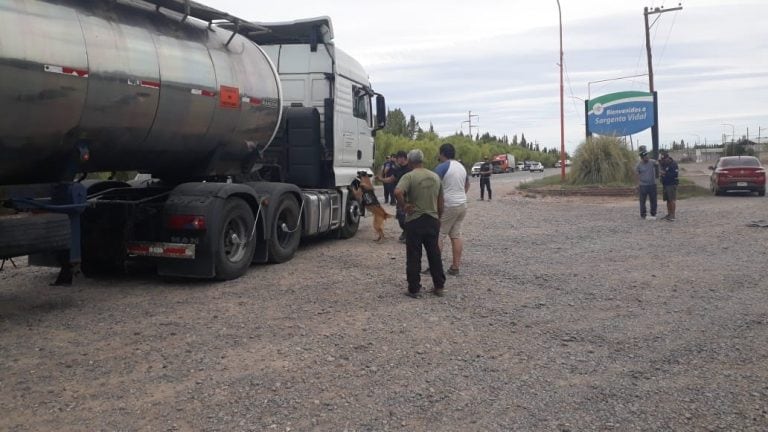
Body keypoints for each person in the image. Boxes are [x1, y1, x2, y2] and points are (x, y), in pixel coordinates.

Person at [394, 149, 446, 298]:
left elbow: (397, 192)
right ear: (422, 160)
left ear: (410, 162)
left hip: (415, 220)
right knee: (434, 254)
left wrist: (404, 206)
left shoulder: (409, 176)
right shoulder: (435, 177)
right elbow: (441, 201)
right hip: (432, 219)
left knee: (414, 255)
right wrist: (439, 218)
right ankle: (439, 286)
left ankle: (414, 289)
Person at [434, 143, 469, 275]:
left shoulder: (442, 167)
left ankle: (435, 267)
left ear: (442, 153)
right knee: (456, 235)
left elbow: (433, 185)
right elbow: (467, 185)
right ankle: (455, 267)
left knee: (439, 235)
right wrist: (460, 196)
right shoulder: (461, 167)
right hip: (462, 204)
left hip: (448, 205)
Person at [376, 150, 410, 242]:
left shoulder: (410, 168)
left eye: (397, 158)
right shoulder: (397, 169)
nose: (396, 160)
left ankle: (409, 234)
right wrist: (381, 179)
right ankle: (406, 231)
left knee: (410, 216)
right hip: (400, 197)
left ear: (402, 158)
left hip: (410, 197)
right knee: (400, 217)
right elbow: (391, 179)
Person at [635, 150, 659, 220]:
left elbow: (658, 163)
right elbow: (636, 175)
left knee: (653, 200)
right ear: (642, 157)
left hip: (652, 184)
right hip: (643, 185)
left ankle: (653, 213)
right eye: (645, 156)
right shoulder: (638, 165)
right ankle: (643, 214)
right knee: (642, 201)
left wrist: (658, 161)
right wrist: (637, 184)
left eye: (647, 155)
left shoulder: (652, 162)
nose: (647, 157)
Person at [659, 150, 679, 222]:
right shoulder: (665, 164)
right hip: (666, 184)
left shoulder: (673, 164)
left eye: (664, 159)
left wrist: (664, 173)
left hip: (671, 184)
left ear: (668, 158)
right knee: (667, 200)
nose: (663, 161)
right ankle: (669, 214)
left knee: (672, 200)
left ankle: (673, 215)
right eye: (662, 160)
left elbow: (674, 174)